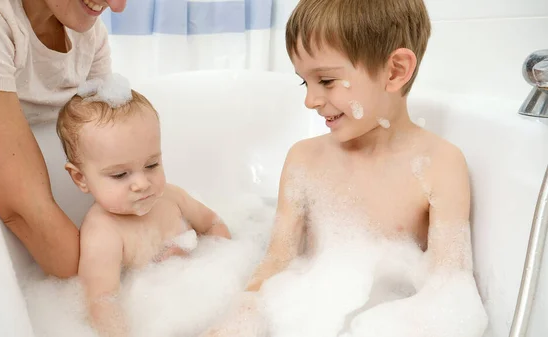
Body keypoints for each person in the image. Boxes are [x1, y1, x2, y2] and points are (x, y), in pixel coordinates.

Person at [202, 0, 486, 335]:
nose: (310, 100)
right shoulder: (304, 159)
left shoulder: (439, 165)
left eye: (326, 80)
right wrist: (241, 316)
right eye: (303, 82)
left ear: (395, 71)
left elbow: (448, 284)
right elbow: (277, 260)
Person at [0, 0, 127, 278]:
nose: (118, 6)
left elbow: (119, 160)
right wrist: (114, 284)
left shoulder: (87, 32)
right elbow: (24, 213)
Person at [56, 76, 232, 336]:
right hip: (157, 322)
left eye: (152, 165)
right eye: (120, 175)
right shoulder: (103, 231)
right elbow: (101, 301)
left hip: (207, 302)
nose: (141, 183)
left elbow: (214, 224)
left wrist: (219, 263)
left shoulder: (171, 197)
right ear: (80, 178)